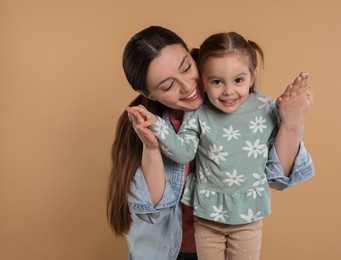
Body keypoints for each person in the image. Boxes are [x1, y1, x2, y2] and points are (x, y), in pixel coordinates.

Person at [107, 25, 314, 260]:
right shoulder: (147, 125)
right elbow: (155, 208)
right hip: (168, 252)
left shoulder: (241, 103)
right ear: (149, 94)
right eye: (168, 85)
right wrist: (153, 145)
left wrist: (292, 123)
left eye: (186, 68)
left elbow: (277, 179)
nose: (187, 87)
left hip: (233, 238)